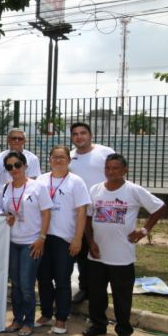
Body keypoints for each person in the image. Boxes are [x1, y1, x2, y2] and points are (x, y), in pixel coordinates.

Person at [83, 153, 165, 336]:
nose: (111, 172)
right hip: (97, 255)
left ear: (124, 170)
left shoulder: (133, 191)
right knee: (96, 294)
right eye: (108, 168)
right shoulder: (95, 190)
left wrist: (144, 230)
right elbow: (87, 217)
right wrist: (91, 241)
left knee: (122, 296)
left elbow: (159, 207)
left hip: (122, 256)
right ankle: (98, 325)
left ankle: (124, 330)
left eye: (115, 168)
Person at [35, 145, 90, 335]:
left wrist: (78, 239)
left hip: (64, 238)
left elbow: (82, 212)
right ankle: (46, 314)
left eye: (62, 157)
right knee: (43, 278)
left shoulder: (76, 182)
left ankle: (61, 318)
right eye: (55, 157)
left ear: (69, 160)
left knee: (62, 280)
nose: (58, 160)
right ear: (49, 159)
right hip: (42, 236)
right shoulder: (41, 180)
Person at [0, 151, 52, 336]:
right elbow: (1, 210)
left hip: (31, 242)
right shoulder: (5, 189)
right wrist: (6, 217)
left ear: (25, 166)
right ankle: (17, 319)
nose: (14, 169)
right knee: (16, 284)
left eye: (17, 165)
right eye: (9, 167)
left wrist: (42, 238)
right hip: (13, 242)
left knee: (27, 284)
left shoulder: (37, 187)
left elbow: (46, 213)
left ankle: (29, 321)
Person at [69, 121, 116, 304]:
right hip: (80, 214)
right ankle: (84, 289)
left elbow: (116, 175)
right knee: (82, 254)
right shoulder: (70, 157)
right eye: (75, 134)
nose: (79, 137)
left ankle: (101, 291)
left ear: (90, 135)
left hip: (103, 212)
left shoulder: (105, 152)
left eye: (83, 133)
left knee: (102, 252)